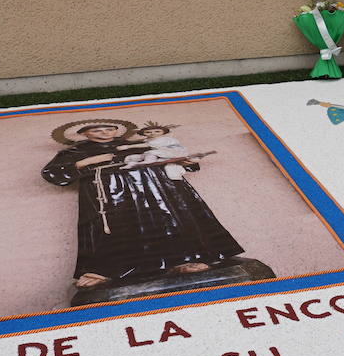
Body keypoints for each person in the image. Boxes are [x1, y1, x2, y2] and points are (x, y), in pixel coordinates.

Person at [41, 119, 243, 289]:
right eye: (96, 129)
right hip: (109, 192)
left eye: (109, 128)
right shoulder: (75, 151)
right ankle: (105, 269)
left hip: (155, 187)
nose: (104, 132)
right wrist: (85, 162)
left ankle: (184, 259)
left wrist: (186, 162)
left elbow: (169, 154)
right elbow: (53, 173)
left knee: (170, 218)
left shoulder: (143, 144)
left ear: (116, 130)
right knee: (112, 227)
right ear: (85, 133)